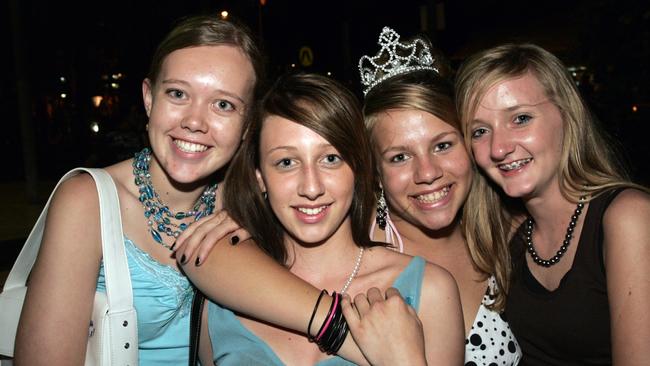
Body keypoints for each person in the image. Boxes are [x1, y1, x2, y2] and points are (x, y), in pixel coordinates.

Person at [185, 72, 464, 365]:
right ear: (260, 178)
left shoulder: (430, 292)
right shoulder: (223, 295)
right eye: (286, 162)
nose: (311, 188)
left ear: (357, 168)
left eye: (330, 159)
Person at [455, 43, 650, 365]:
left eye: (520, 118)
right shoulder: (507, 234)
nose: (499, 148)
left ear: (567, 115)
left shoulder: (627, 217)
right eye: (480, 131)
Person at [358, 26, 521, 365]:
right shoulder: (352, 254)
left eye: (443, 145)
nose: (428, 173)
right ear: (375, 171)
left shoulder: (508, 236)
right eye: (399, 157)